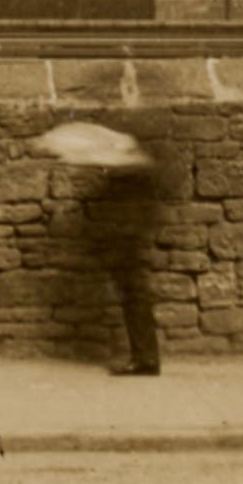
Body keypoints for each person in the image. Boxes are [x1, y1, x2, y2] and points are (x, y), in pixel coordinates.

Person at [38, 121, 163, 376]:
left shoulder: (133, 176)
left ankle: (145, 359)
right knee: (134, 298)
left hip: (127, 241)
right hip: (128, 239)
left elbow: (129, 211)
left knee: (135, 298)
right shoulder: (132, 174)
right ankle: (144, 356)